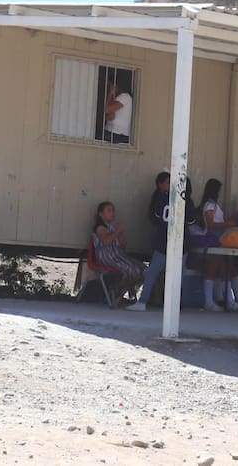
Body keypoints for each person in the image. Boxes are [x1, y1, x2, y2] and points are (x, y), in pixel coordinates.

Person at [127, 172, 171, 312]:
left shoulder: (165, 198)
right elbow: (157, 217)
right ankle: (146, 299)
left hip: (161, 239)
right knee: (154, 271)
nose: (170, 185)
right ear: (160, 184)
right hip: (161, 239)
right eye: (167, 182)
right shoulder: (160, 199)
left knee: (158, 271)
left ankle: (154, 298)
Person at [200, 178, 238, 312]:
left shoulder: (214, 205)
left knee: (225, 269)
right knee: (212, 270)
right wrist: (228, 224)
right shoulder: (209, 205)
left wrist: (231, 219)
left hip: (220, 240)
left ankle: (229, 300)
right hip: (213, 239)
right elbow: (211, 224)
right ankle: (209, 301)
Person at [91, 201, 144, 305]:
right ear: (101, 214)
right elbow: (105, 241)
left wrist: (121, 237)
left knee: (144, 270)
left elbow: (121, 244)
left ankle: (119, 289)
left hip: (118, 255)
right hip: (108, 257)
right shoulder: (100, 227)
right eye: (109, 211)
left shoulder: (111, 227)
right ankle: (117, 290)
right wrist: (117, 231)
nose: (112, 213)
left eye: (113, 211)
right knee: (134, 270)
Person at [103, 79, 133, 144]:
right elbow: (110, 115)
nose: (108, 87)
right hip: (115, 133)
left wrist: (110, 92)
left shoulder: (124, 97)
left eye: (110, 85)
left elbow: (107, 109)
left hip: (117, 134)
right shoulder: (120, 97)